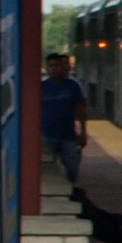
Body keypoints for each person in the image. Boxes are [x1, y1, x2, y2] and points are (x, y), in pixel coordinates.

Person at [39, 50, 88, 196]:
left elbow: (80, 110)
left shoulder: (73, 86)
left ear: (64, 67)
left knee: (72, 166)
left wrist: (83, 132)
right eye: (50, 66)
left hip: (68, 135)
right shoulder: (41, 87)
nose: (54, 69)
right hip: (47, 135)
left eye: (57, 65)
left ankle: (70, 189)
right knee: (47, 169)